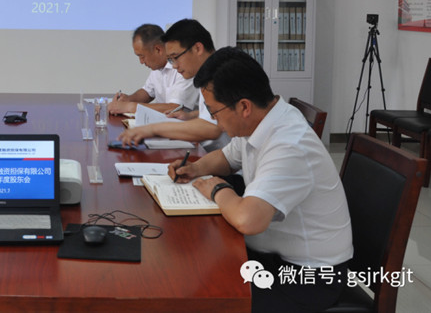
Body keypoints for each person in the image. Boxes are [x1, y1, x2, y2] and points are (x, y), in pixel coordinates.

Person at [171, 47, 352, 313]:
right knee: (194, 266)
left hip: (307, 277)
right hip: (275, 256)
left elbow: (248, 220)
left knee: (202, 297)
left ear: (244, 106)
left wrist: (218, 189)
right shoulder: (262, 120)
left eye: (215, 112)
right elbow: (227, 158)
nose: (216, 122)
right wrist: (195, 168)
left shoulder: (290, 143)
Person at [118, 19, 230, 153]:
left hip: (222, 155)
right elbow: (216, 113)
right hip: (213, 154)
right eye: (171, 60)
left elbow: (212, 128)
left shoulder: (220, 74)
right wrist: (192, 115)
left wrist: (153, 129)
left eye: (176, 57)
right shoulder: (206, 73)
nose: (175, 66)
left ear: (197, 48)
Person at [108, 23, 198, 115]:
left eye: (142, 56)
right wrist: (128, 99)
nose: (141, 62)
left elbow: (175, 108)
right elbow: (147, 92)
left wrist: (130, 107)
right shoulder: (158, 68)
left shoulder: (183, 67)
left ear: (158, 49)